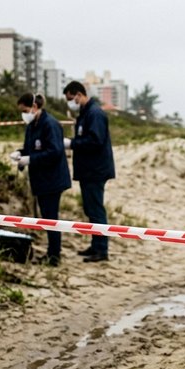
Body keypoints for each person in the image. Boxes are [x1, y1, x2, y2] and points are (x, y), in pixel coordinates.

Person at [12, 92, 71, 267]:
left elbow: (55, 151)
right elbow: (31, 148)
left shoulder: (50, 124)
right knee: (46, 216)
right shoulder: (32, 125)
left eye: (24, 110)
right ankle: (52, 251)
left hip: (53, 179)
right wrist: (20, 154)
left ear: (34, 107)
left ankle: (54, 255)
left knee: (51, 217)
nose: (23, 114)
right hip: (40, 178)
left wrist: (30, 159)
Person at [62, 81, 115, 263]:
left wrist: (72, 143)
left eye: (70, 98)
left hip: (96, 170)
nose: (70, 102)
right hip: (88, 170)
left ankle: (101, 249)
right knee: (90, 209)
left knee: (96, 209)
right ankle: (96, 244)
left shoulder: (95, 113)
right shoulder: (86, 113)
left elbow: (95, 141)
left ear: (78, 94)